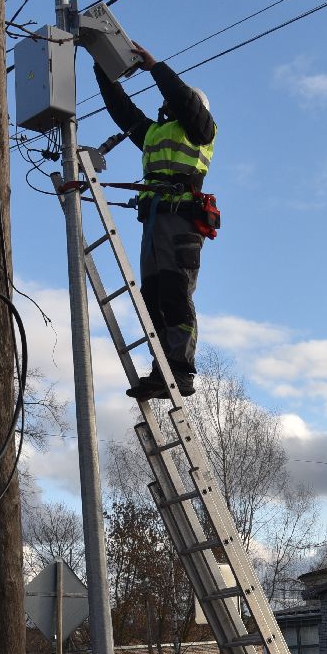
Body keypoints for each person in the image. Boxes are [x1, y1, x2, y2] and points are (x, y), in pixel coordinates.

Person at [93, 42, 216, 400]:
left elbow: (182, 98)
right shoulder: (154, 134)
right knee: (152, 297)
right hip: (155, 225)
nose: (165, 104)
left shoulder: (200, 130)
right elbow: (123, 111)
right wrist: (103, 67)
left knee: (176, 293)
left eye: (173, 101)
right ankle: (162, 370)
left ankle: (181, 371)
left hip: (182, 224)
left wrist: (155, 68)